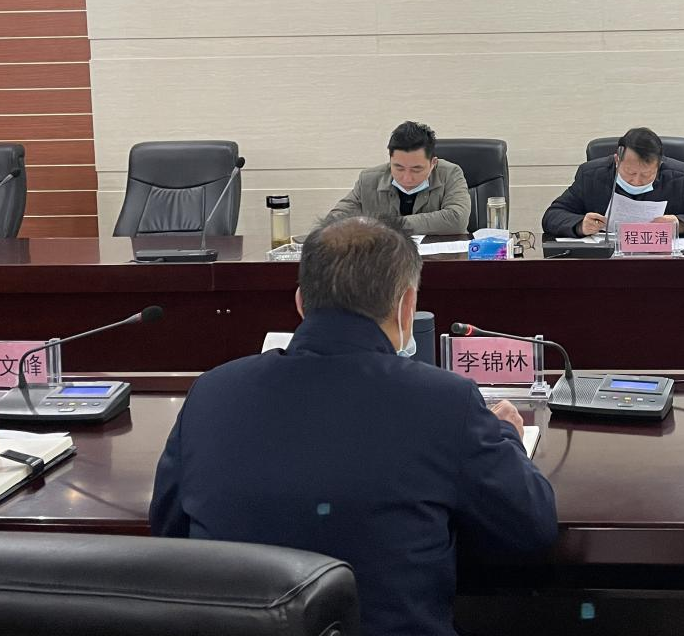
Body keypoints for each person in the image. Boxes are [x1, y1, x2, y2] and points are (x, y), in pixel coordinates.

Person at [149, 216, 558, 636]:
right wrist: (506, 436)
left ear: (301, 302)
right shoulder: (445, 401)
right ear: (407, 305)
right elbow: (531, 529)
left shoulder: (212, 392)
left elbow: (168, 533)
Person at [542, 127, 684, 238]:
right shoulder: (590, 174)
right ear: (617, 160)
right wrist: (579, 225)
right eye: (630, 172)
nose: (637, 180)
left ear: (659, 164)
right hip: (606, 265)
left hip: (664, 264)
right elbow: (552, 216)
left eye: (646, 174)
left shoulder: (679, 175)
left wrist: (680, 223)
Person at [325, 120, 471, 235]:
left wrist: (389, 225)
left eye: (416, 169)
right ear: (390, 160)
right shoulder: (368, 180)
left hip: (441, 259)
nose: (407, 178)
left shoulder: (450, 174)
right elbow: (334, 220)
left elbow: (457, 220)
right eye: (399, 167)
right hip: (386, 259)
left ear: (433, 163)